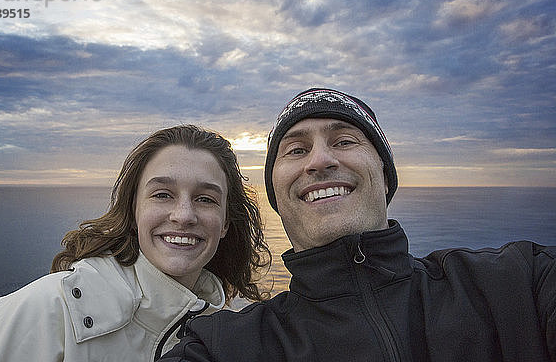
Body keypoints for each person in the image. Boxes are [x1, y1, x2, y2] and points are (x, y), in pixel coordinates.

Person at [160, 88, 556, 361]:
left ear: (385, 177)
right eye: (296, 150)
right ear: (278, 197)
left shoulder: (519, 283)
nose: (319, 161)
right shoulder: (223, 347)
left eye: (345, 141)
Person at [0, 125, 270, 362]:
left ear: (226, 223)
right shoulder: (49, 310)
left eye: (205, 199)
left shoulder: (222, 333)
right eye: (162, 194)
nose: (184, 215)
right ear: (134, 211)